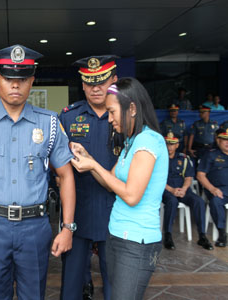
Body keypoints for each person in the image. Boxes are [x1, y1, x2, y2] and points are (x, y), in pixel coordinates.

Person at [0, 44, 76, 300]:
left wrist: (67, 228)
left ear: (32, 81)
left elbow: (65, 175)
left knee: (33, 294)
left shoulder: (50, 123)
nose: (15, 85)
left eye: (22, 79)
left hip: (34, 227)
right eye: (9, 79)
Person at [71, 77, 168, 300]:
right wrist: (89, 159)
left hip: (136, 242)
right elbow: (111, 182)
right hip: (117, 236)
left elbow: (132, 195)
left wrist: (94, 165)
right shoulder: (130, 142)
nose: (110, 119)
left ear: (132, 108)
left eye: (112, 112)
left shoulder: (148, 142)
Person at [59, 55, 119, 300]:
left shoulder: (125, 119)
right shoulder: (68, 117)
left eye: (102, 81)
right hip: (78, 212)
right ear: (82, 84)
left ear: (114, 81)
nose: (96, 87)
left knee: (115, 283)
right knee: (71, 284)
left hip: (116, 211)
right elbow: (59, 169)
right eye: (90, 82)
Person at [162, 132, 213, 250]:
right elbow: (156, 179)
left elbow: (188, 177)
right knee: (172, 202)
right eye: (167, 144)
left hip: (182, 189)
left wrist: (184, 189)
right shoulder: (159, 158)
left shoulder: (184, 158)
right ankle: (168, 235)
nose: (169, 147)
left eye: (172, 144)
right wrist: (171, 190)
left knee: (199, 201)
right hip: (167, 189)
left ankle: (202, 236)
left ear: (177, 145)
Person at [196, 128, 228, 247]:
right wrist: (212, 189)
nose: (227, 142)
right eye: (224, 140)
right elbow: (200, 175)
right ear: (218, 141)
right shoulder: (211, 154)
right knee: (216, 201)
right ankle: (222, 233)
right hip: (217, 190)